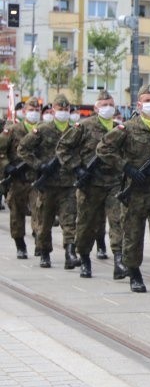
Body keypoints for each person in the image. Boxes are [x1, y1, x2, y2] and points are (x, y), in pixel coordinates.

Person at [96, 84, 150, 293]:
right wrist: (127, 167)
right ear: (139, 104)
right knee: (132, 234)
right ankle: (134, 273)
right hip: (135, 191)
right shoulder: (127, 128)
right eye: (147, 100)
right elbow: (103, 148)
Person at [57, 90, 126, 279]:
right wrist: (76, 168)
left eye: (110, 104)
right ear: (96, 108)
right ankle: (85, 259)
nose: (107, 108)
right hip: (90, 184)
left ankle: (119, 260)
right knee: (87, 224)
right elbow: (63, 147)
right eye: (103, 105)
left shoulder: (120, 128)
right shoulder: (84, 126)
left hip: (114, 183)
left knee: (117, 221)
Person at [18, 94, 79, 269]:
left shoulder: (75, 130)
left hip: (68, 184)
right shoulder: (43, 129)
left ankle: (70, 253)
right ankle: (44, 253)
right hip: (47, 185)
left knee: (69, 221)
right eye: (60, 109)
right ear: (53, 110)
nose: (64, 112)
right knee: (44, 223)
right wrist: (39, 165)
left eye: (66, 109)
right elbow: (23, 148)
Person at [0, 97, 42, 259]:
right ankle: (20, 245)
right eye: (31, 110)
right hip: (18, 179)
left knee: (39, 211)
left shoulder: (43, 129)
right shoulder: (13, 130)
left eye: (36, 110)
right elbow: (1, 150)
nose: (34, 113)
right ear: (24, 112)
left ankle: (40, 242)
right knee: (17, 213)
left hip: (37, 179)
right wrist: (7, 166)